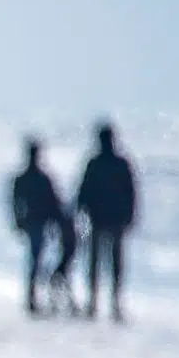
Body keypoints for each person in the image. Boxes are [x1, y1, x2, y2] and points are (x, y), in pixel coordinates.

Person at [76, 122, 138, 322]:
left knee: (109, 265)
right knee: (105, 265)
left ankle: (108, 304)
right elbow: (84, 192)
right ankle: (101, 303)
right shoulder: (110, 164)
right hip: (104, 220)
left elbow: (130, 193)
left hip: (108, 220)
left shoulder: (108, 164)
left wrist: (129, 215)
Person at [10, 137, 63, 315]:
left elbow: (52, 202)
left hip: (38, 223)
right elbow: (17, 203)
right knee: (36, 260)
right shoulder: (34, 178)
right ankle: (33, 297)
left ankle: (35, 297)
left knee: (37, 261)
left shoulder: (33, 178)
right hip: (35, 224)